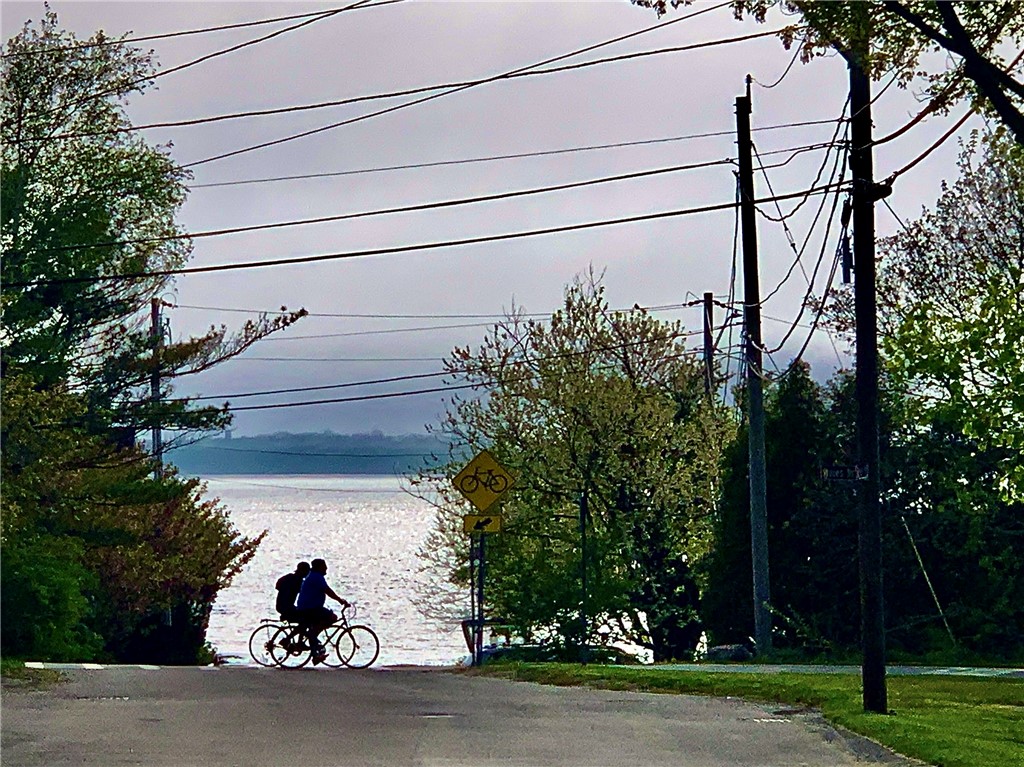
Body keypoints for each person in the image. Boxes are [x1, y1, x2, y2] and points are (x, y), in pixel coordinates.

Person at [295, 558, 348, 664]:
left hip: (308, 607)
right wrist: (340, 600)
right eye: (324, 566)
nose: (326, 568)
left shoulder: (313, 576)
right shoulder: (316, 577)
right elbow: (327, 590)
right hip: (310, 608)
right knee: (332, 618)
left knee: (316, 626)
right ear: (319, 567)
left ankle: (315, 650)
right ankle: (313, 636)